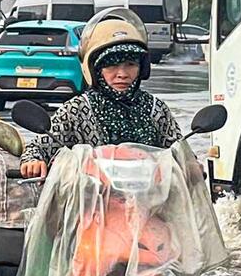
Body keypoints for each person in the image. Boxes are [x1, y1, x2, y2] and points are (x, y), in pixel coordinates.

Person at [18, 12, 182, 178]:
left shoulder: (155, 108)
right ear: (95, 70)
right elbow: (38, 147)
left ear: (142, 68)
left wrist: (191, 165)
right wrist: (33, 161)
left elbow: (179, 151)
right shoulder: (77, 110)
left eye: (131, 65)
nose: (122, 74)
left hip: (151, 199)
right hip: (90, 199)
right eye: (111, 66)